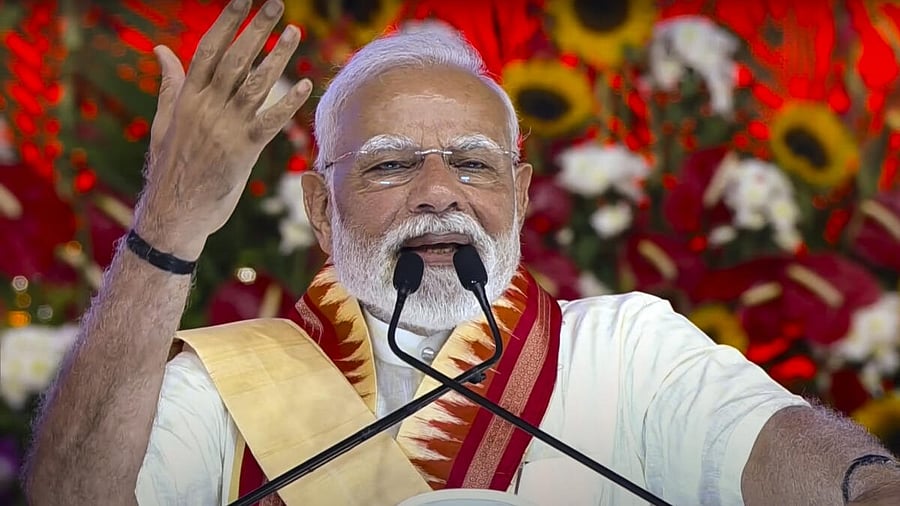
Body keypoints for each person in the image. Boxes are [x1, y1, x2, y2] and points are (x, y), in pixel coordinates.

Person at [20, 0, 900, 504]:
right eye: (392, 164)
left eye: (474, 163)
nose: (439, 191)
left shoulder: (630, 347)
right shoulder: (219, 386)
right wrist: (169, 222)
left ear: (519, 194)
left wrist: (866, 489)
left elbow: (781, 450)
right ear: (320, 211)